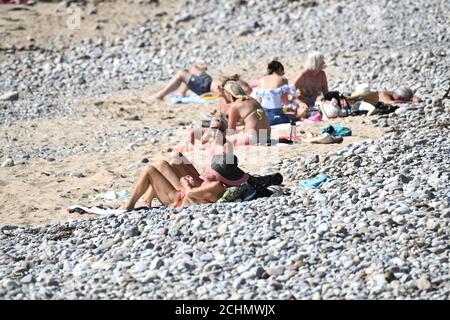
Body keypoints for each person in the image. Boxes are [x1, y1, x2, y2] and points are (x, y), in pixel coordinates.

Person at [122, 153, 249, 210]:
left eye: (211, 170)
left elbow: (190, 195)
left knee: (148, 169)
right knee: (162, 164)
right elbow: (196, 193)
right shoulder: (215, 183)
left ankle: (129, 205)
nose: (207, 171)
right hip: (181, 194)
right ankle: (146, 200)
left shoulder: (216, 186)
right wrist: (189, 184)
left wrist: (186, 184)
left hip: (177, 202)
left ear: (220, 176)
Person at [221, 80, 271, 145]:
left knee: (228, 138)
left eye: (225, 94)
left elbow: (231, 131)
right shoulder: (253, 100)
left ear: (230, 94)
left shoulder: (235, 106)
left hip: (252, 138)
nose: (225, 97)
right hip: (267, 136)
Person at [251, 60, 298, 125]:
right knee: (296, 117)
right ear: (279, 69)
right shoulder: (282, 79)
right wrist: (292, 101)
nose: (283, 74)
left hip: (262, 116)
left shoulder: (261, 80)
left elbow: (259, 101)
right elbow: (285, 101)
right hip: (276, 115)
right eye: (282, 72)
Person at [148, 61, 223, 101]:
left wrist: (208, 94)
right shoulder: (226, 84)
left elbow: (220, 94)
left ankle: (160, 95)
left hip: (205, 86)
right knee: (193, 69)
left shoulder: (224, 88)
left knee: (181, 74)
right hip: (207, 81)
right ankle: (182, 92)